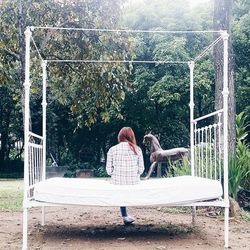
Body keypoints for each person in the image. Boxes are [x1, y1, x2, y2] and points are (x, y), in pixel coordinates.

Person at [106, 127, 144, 225]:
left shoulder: (112, 150)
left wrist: (118, 173)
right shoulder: (137, 149)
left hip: (117, 183)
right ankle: (125, 216)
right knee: (125, 189)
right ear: (131, 136)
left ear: (120, 136)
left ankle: (125, 215)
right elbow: (141, 170)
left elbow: (109, 171)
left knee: (120, 189)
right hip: (133, 183)